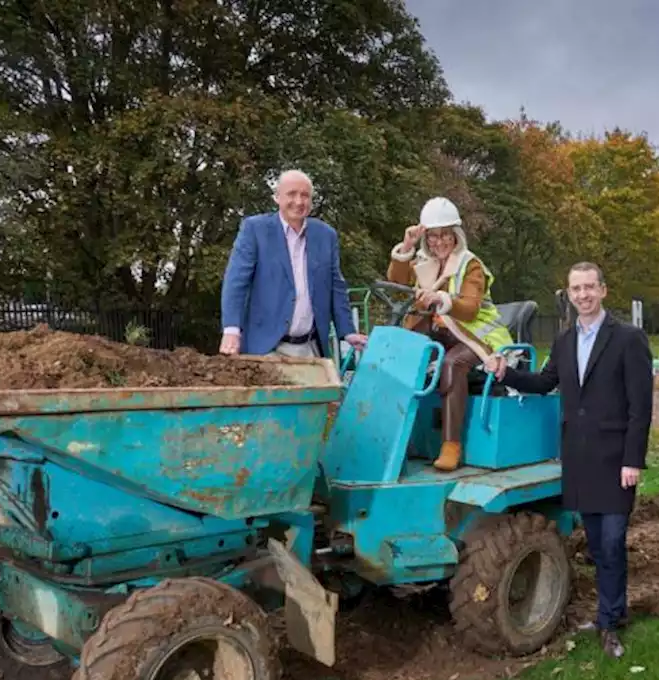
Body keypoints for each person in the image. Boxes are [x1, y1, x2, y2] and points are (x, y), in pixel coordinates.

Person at [486, 262, 653, 659]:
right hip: (579, 458)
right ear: (570, 293)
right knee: (596, 544)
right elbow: (545, 383)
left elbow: (640, 408)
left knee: (612, 543)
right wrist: (505, 372)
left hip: (615, 459)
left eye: (589, 287)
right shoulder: (564, 341)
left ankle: (611, 621)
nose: (583, 295)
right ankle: (611, 612)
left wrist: (633, 460)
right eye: (576, 288)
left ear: (603, 290)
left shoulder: (628, 339)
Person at [387, 197, 513, 471]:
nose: (439, 242)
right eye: (433, 237)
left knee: (451, 363)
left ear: (456, 236)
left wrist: (441, 298)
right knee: (398, 355)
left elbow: (468, 310)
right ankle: (394, 437)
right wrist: (406, 247)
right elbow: (397, 283)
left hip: (474, 336)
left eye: (445, 235)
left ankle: (451, 445)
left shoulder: (471, 265)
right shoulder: (423, 261)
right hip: (437, 333)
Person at [219, 169, 367, 358]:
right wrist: (231, 330)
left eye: (305, 196)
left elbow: (336, 287)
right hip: (266, 348)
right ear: (277, 197)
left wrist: (348, 331)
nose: (298, 201)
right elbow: (236, 282)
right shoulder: (255, 230)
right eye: (292, 194)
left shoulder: (326, 235)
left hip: (310, 347)